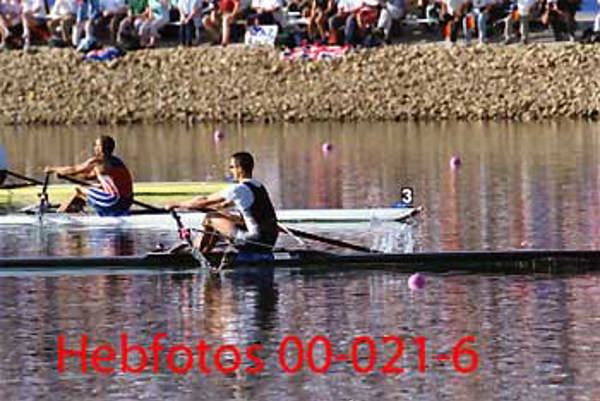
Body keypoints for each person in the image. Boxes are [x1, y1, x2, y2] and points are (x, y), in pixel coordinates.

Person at [165, 151, 279, 254]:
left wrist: (176, 204)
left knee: (210, 218)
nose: (230, 170)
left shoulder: (238, 189)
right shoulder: (258, 186)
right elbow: (221, 206)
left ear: (240, 169)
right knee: (223, 216)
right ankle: (204, 251)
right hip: (269, 242)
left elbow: (205, 201)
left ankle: (199, 253)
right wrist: (203, 207)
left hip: (252, 242)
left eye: (232, 167)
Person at [44, 135, 134, 216]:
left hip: (114, 201)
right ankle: (72, 212)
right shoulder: (115, 162)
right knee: (86, 190)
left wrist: (52, 169)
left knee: (80, 191)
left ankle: (59, 215)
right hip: (126, 202)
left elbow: (73, 169)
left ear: (101, 148)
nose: (94, 148)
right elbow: (87, 176)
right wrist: (66, 176)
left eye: (96, 145)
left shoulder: (99, 161)